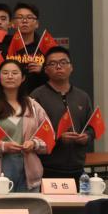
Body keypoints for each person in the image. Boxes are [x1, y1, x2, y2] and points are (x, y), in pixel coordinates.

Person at [0, 60, 51, 192]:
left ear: (23, 78)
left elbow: (48, 136)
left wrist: (34, 144)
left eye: (15, 73)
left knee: (28, 205)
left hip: (29, 173)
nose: (10, 76)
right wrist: (3, 146)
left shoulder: (33, 106)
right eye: (5, 73)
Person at [30, 47, 94, 184]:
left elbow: (92, 127)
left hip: (77, 168)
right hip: (47, 168)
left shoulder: (82, 97)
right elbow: (31, 132)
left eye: (63, 62)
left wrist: (87, 136)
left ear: (71, 67)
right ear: (46, 70)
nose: (59, 67)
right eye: (53, 64)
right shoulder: (37, 96)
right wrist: (57, 139)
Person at [0, 3, 46, 92]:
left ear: (37, 24)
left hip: (39, 98)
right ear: (13, 23)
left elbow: (57, 79)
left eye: (29, 17)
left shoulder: (45, 48)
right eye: (20, 17)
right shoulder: (0, 49)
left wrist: (42, 71)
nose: (24, 21)